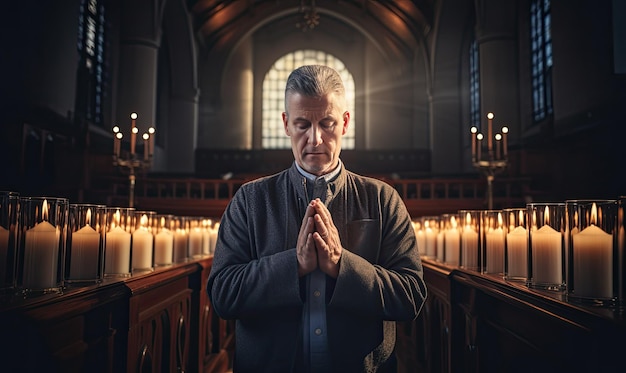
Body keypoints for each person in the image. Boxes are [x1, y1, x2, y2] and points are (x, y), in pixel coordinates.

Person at [207, 65, 427, 372]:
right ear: (285, 123)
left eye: (327, 123)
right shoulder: (249, 199)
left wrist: (342, 266)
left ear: (345, 122)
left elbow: (411, 296)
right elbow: (223, 295)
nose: (316, 139)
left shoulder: (383, 198)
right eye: (302, 125)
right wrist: (294, 265)